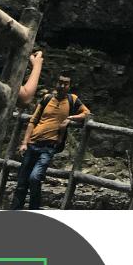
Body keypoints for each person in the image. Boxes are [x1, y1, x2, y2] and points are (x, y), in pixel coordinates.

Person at [11, 70, 90, 209]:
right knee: (22, 182)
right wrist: (24, 142)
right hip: (32, 143)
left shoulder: (72, 100)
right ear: (56, 83)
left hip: (49, 147)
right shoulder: (47, 98)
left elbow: (87, 113)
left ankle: (33, 210)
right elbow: (33, 120)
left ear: (69, 86)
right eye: (60, 82)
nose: (62, 86)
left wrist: (70, 119)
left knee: (35, 178)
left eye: (66, 84)